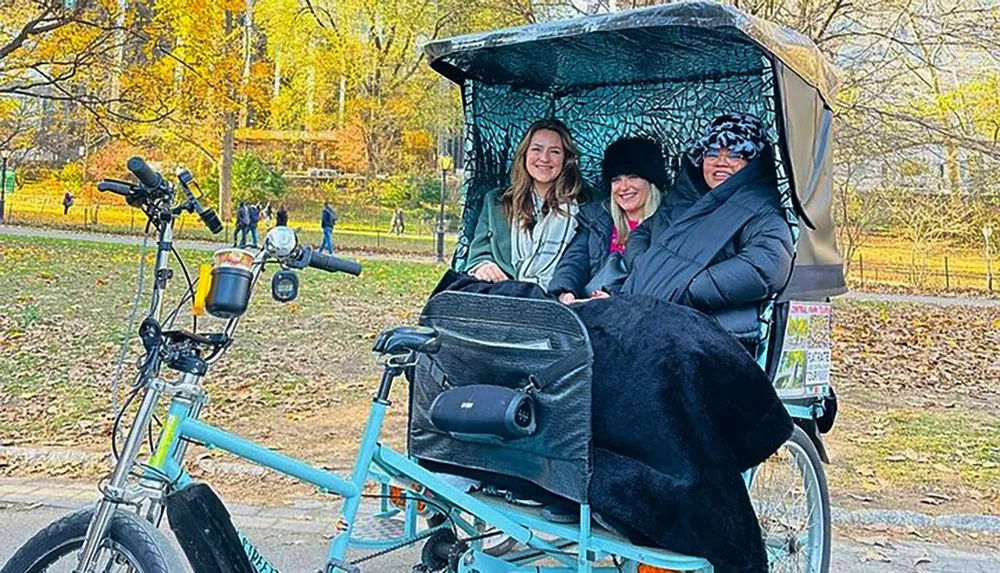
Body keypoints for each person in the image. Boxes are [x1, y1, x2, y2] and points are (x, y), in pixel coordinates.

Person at [623, 113, 794, 345]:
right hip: (655, 319)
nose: (720, 162)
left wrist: (689, 288)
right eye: (712, 153)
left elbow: (768, 263)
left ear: (752, 161)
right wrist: (647, 268)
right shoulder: (683, 199)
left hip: (714, 336)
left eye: (735, 153)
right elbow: (642, 234)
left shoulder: (760, 207)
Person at [466, 118, 585, 290]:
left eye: (555, 152)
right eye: (536, 149)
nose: (544, 158)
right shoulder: (496, 201)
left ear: (566, 159)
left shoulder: (587, 204)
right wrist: (483, 265)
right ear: (524, 155)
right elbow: (478, 254)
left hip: (561, 300)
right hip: (505, 295)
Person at [548, 137, 666, 303]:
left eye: (633, 177)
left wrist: (615, 298)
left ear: (651, 181)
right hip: (587, 309)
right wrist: (565, 292)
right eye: (616, 179)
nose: (623, 187)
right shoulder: (595, 218)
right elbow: (574, 261)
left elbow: (662, 280)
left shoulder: (669, 223)